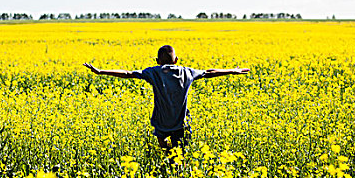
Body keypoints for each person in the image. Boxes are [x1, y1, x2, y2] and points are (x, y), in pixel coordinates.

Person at [83, 45, 249, 153]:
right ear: (176, 60)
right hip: (181, 123)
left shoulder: (153, 72)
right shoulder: (186, 71)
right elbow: (209, 72)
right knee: (180, 156)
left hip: (161, 123)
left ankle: (169, 159)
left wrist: (101, 71)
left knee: (166, 151)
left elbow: (128, 73)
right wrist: (232, 71)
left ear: (157, 61)